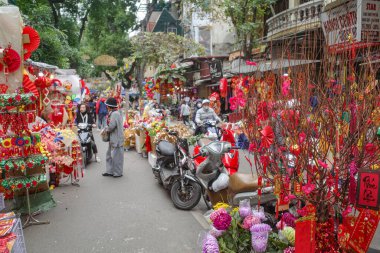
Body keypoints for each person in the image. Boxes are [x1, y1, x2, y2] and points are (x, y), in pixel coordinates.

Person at [102, 97, 124, 178]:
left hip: (116, 138)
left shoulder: (115, 114)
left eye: (107, 105)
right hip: (113, 138)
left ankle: (117, 173)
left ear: (109, 106)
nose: (106, 107)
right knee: (109, 155)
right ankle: (110, 171)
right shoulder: (114, 113)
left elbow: (111, 126)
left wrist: (105, 130)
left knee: (117, 156)